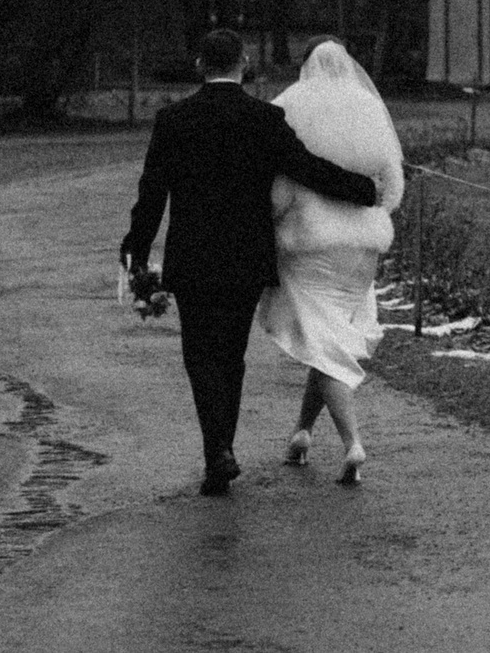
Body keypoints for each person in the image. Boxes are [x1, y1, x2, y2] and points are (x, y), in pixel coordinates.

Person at [120, 27, 381, 496]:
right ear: (243, 62)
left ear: (200, 65)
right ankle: (223, 446)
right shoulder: (265, 119)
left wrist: (136, 251)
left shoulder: (173, 120)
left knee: (200, 357)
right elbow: (307, 168)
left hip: (193, 259)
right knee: (231, 357)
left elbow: (151, 194)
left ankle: (216, 450)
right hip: (244, 259)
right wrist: (364, 190)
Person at [257, 40, 405, 485]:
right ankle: (301, 432)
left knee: (323, 345)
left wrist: (274, 219)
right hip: (360, 249)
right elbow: (392, 188)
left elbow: (277, 187)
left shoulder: (289, 106)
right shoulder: (368, 106)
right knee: (328, 341)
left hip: (309, 244)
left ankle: (352, 443)